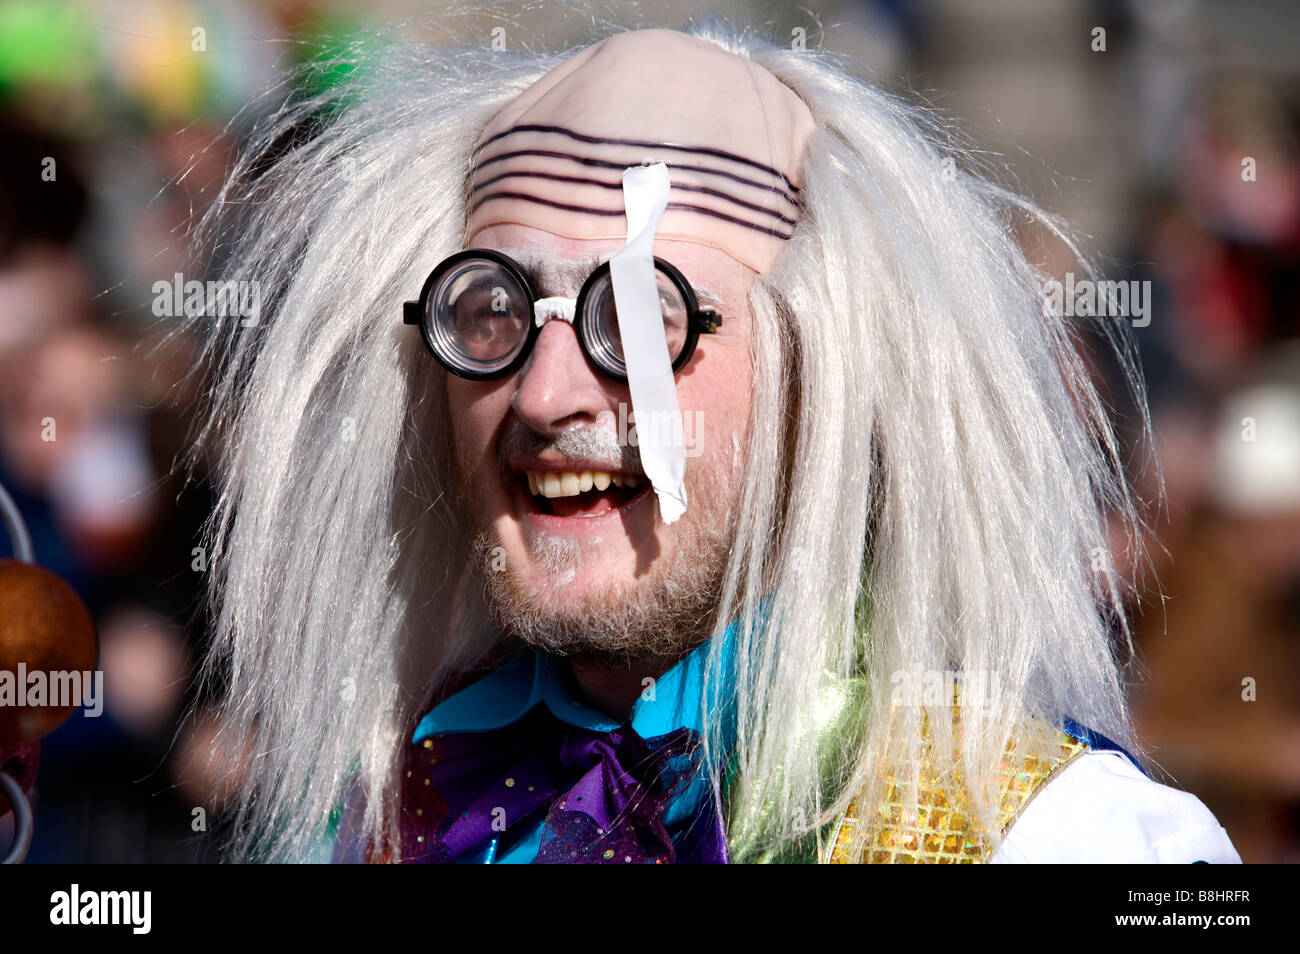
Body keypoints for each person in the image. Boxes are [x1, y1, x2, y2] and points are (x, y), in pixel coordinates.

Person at [189, 23, 1240, 863]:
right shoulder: (384, 810)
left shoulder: (1061, 844)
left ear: (815, 380)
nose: (544, 395)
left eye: (642, 324)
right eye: (492, 312)